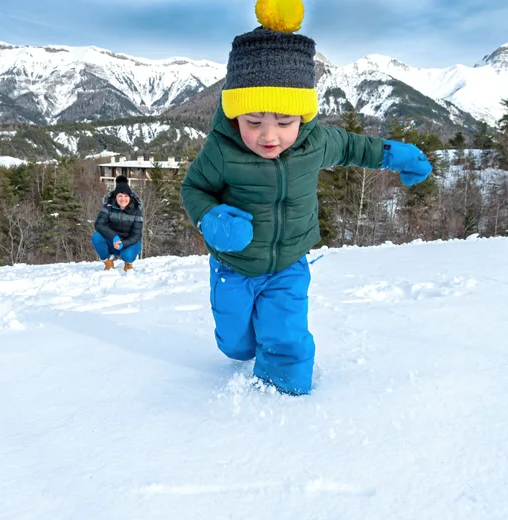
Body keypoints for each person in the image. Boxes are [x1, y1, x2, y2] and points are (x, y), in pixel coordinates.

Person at [180, 0, 433, 395]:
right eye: (253, 122)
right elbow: (193, 189)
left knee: (285, 333)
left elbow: (355, 146)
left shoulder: (315, 143)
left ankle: (285, 394)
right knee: (235, 341)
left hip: (289, 263)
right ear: (234, 116)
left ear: (303, 117)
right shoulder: (222, 150)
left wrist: (395, 155)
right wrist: (211, 219)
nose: (269, 136)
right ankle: (242, 345)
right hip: (234, 267)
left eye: (284, 122)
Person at [92, 175, 143, 272]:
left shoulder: (136, 211)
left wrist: (123, 243)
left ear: (130, 197)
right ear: (115, 197)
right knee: (96, 237)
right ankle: (108, 262)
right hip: (113, 241)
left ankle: (128, 263)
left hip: (129, 243)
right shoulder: (108, 207)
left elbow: (137, 235)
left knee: (127, 256)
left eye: (126, 196)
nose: (123, 199)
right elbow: (98, 224)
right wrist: (114, 237)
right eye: (120, 196)